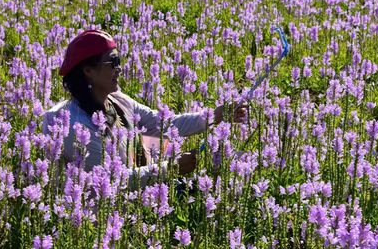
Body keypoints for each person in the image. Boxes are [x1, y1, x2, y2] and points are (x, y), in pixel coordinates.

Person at [43, 29, 247, 188]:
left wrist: (217, 115)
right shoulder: (73, 124)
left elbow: (166, 123)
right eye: (112, 62)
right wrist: (170, 168)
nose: (119, 68)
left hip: (134, 198)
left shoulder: (116, 100)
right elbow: (109, 181)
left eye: (119, 61)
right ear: (88, 71)